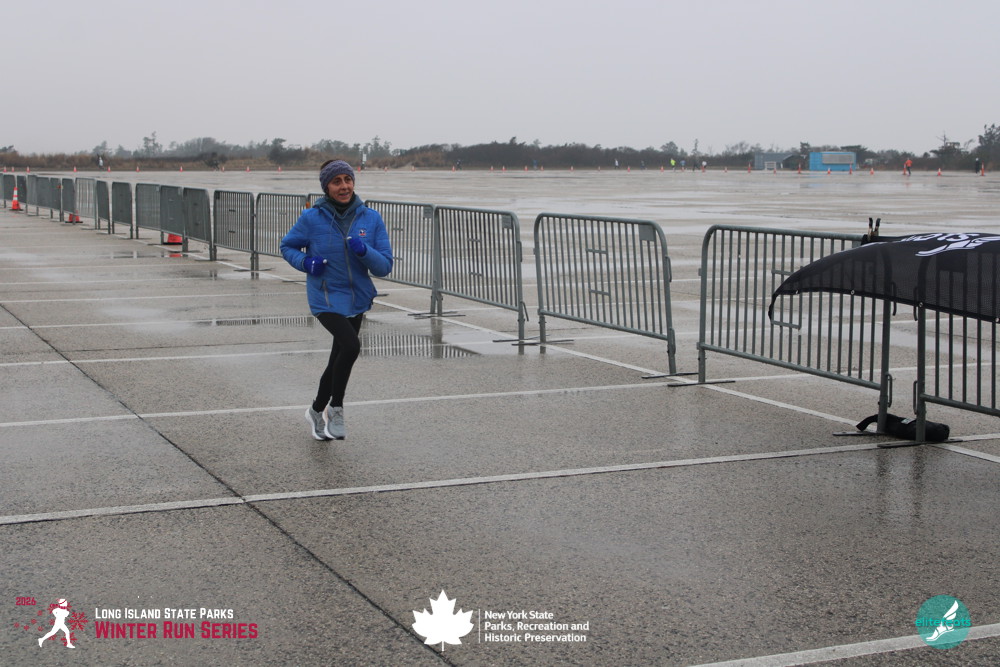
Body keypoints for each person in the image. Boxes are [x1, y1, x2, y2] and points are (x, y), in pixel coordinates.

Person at [280, 160, 393, 440]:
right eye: (336, 181)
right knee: (351, 346)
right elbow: (287, 246)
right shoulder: (312, 218)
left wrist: (364, 250)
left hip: (358, 297)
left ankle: (316, 410)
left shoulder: (371, 218)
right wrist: (306, 262)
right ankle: (337, 408)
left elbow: (384, 266)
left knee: (337, 359)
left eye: (347, 180)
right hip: (325, 296)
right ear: (326, 187)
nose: (344, 186)